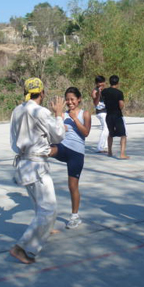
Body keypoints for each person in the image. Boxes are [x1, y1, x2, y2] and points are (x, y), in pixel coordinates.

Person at [9, 78, 66, 264]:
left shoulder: (17, 110)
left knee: (38, 204)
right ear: (42, 93)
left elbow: (13, 140)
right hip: (36, 165)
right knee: (48, 209)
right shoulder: (41, 112)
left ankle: (45, 229)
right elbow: (58, 135)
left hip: (23, 163)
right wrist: (59, 114)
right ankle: (22, 247)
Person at [50, 87, 91, 229]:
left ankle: (75, 216)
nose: (69, 102)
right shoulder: (63, 114)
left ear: (79, 99)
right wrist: (56, 114)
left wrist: (74, 119)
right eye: (67, 99)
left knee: (72, 186)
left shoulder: (85, 114)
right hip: (63, 148)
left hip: (77, 153)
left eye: (72, 99)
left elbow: (86, 133)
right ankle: (28, 168)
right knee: (47, 150)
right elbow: (56, 128)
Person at [101, 75, 129, 159]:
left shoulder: (105, 91)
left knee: (111, 134)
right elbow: (121, 104)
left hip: (108, 115)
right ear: (118, 83)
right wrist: (120, 108)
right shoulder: (119, 93)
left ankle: (109, 151)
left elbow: (101, 97)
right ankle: (122, 154)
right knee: (123, 135)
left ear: (110, 82)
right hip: (117, 115)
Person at [91, 75, 109, 153]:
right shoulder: (95, 91)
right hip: (101, 112)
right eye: (99, 83)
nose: (101, 84)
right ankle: (100, 147)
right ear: (96, 83)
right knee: (106, 129)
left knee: (106, 128)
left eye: (102, 82)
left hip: (107, 111)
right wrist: (99, 92)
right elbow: (95, 102)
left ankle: (105, 146)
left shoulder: (106, 90)